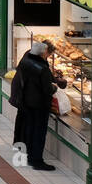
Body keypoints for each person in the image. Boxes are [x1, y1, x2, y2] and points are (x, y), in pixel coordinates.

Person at [10, 40, 57, 171]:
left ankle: (20, 149)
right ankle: (36, 160)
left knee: (23, 126)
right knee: (38, 132)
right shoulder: (42, 68)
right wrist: (55, 87)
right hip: (38, 104)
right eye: (49, 54)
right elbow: (47, 89)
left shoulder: (26, 57)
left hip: (23, 99)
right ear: (45, 53)